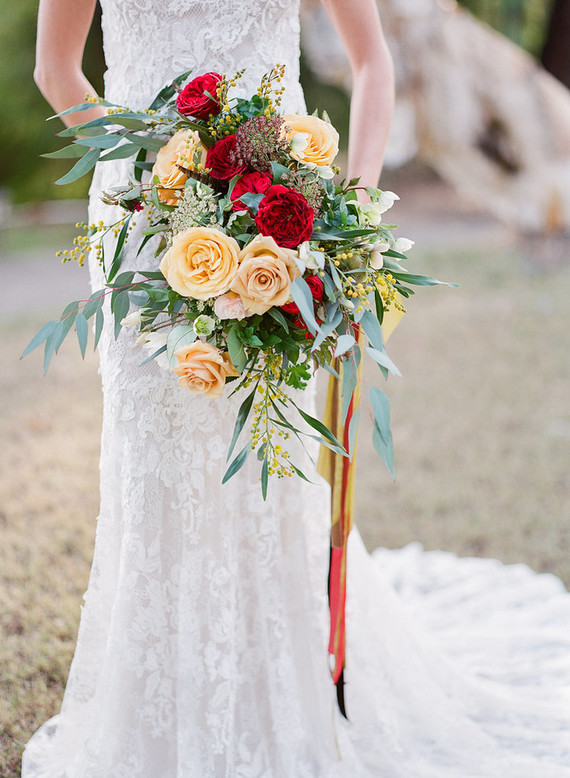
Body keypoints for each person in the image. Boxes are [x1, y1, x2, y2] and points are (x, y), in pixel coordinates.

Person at [24, 0, 570, 776]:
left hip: (281, 222)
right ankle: (161, 709)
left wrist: (355, 214)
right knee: (157, 472)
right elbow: (56, 69)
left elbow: (373, 63)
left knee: (267, 473)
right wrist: (149, 178)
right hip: (144, 232)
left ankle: (280, 694)